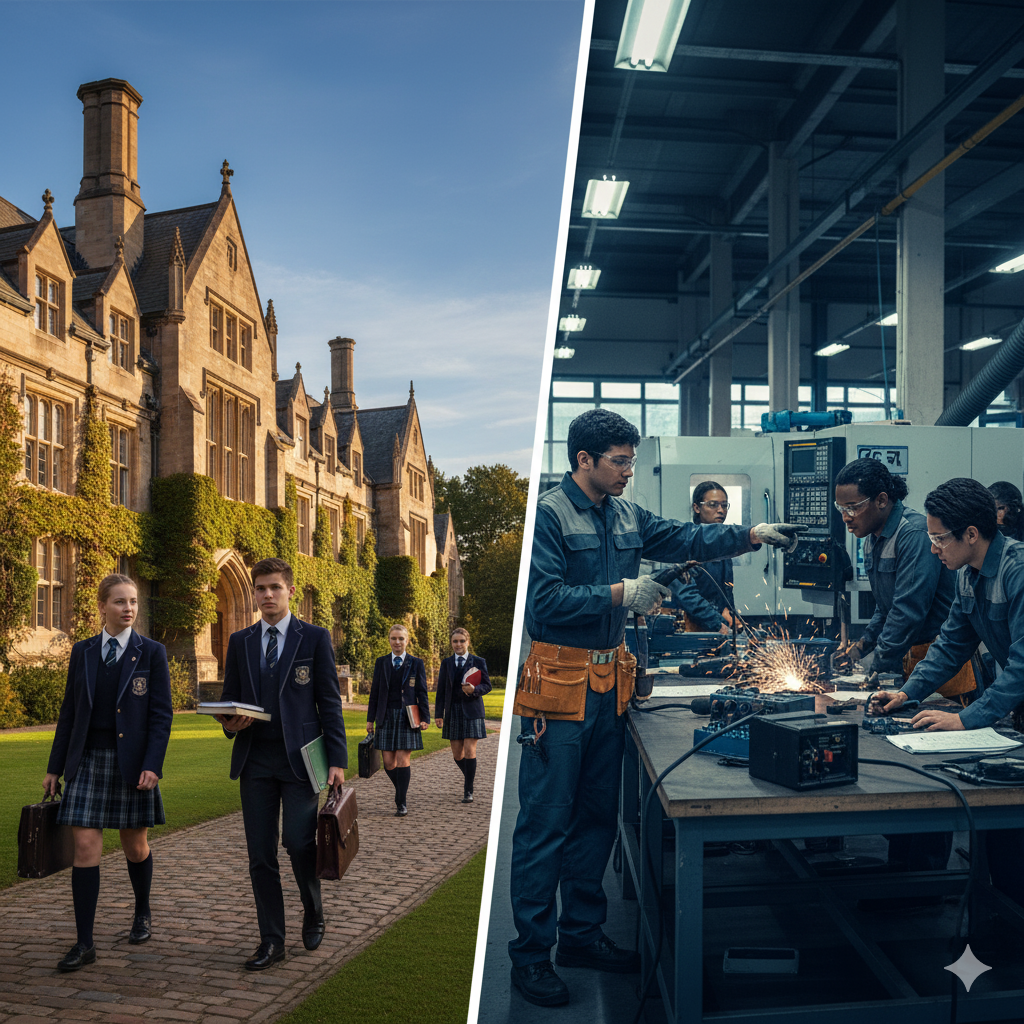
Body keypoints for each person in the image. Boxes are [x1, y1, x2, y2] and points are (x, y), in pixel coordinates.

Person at [508, 408, 805, 1007]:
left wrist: (750, 534)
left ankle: (581, 936)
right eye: (619, 462)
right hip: (558, 688)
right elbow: (541, 602)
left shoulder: (626, 513)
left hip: (607, 684)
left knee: (596, 818)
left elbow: (687, 537)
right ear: (584, 460)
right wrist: (622, 592)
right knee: (545, 825)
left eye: (631, 460)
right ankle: (531, 956)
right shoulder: (549, 515)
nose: (628, 471)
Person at [877, 477, 1024, 906]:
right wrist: (907, 694)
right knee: (1002, 834)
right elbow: (950, 646)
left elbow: (1021, 666)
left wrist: (965, 719)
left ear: (971, 534)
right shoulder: (967, 575)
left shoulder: (1017, 572)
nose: (933, 548)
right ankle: (999, 917)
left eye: (939, 538)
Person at [216, 557, 347, 970]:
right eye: (260, 588)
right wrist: (229, 723)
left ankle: (313, 909)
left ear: (290, 591)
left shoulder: (314, 638)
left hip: (300, 761)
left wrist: (337, 760)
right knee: (260, 855)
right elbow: (230, 699)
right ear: (254, 593)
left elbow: (329, 702)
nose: (267, 595)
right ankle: (272, 940)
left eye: (275, 587)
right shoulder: (240, 641)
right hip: (255, 760)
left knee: (298, 842)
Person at [833, 458, 960, 884]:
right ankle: (901, 870)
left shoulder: (913, 535)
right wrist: (861, 648)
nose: (846, 517)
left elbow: (909, 611)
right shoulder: (875, 537)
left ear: (882, 500)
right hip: (907, 662)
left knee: (931, 772)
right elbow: (885, 607)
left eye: (853, 507)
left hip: (941, 666)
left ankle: (923, 883)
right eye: (841, 509)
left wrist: (873, 672)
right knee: (903, 758)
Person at [44, 573, 172, 972]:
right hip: (86, 762)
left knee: (135, 846)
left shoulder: (152, 652)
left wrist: (152, 764)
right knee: (84, 849)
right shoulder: (82, 651)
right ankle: (84, 942)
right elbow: (69, 712)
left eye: (132, 601)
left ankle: (142, 912)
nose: (128, 608)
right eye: (119, 601)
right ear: (102, 606)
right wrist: (54, 767)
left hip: (132, 763)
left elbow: (161, 715)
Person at [367, 623, 429, 817]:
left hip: (408, 717)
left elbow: (422, 692)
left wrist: (425, 717)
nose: (397, 642)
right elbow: (375, 693)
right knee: (388, 763)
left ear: (407, 641)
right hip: (385, 716)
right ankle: (401, 791)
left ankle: (401, 802)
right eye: (393, 638)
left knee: (403, 760)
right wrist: (370, 719)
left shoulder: (416, 663)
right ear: (389, 640)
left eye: (401, 638)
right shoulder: (381, 662)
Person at [668, 480, 741, 633]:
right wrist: (718, 622)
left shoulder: (724, 547)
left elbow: (726, 592)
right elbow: (686, 595)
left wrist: (730, 613)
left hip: (715, 626)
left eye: (724, 505)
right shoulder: (686, 545)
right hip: (689, 629)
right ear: (697, 508)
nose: (720, 510)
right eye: (713, 505)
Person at [434, 627, 491, 803]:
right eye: (455, 641)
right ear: (451, 643)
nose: (458, 644)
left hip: (472, 710)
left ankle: (468, 790)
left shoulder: (478, 661)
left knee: (469, 750)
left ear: (468, 642)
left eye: (461, 641)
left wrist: (475, 689)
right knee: (457, 754)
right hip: (453, 711)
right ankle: (470, 778)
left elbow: (487, 685)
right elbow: (441, 690)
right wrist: (439, 714)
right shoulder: (446, 663)